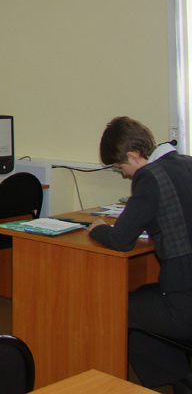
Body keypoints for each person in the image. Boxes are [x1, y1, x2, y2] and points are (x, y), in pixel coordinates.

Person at [88, 117, 192, 394]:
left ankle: (181, 382)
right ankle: (179, 378)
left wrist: (98, 229)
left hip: (186, 303)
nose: (123, 174)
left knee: (119, 306)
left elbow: (121, 240)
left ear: (134, 156)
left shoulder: (150, 176)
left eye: (120, 167)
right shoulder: (187, 163)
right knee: (144, 292)